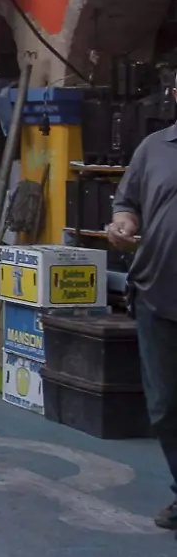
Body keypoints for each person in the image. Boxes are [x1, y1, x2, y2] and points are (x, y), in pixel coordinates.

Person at [107, 107, 177, 535]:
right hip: (158, 292)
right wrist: (122, 224)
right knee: (165, 406)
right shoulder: (154, 148)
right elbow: (128, 204)